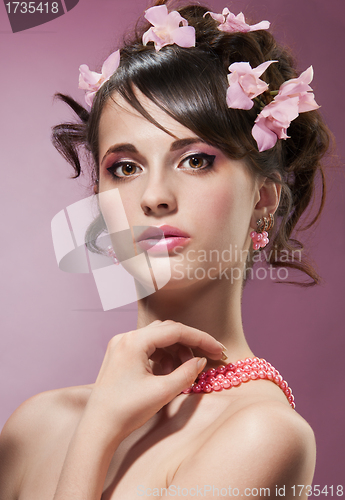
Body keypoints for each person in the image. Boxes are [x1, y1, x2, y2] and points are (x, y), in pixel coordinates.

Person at [0, 2, 331, 498]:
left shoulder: (262, 435)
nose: (154, 196)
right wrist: (99, 420)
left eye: (196, 160)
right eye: (125, 168)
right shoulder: (33, 427)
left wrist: (96, 436)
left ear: (263, 199)